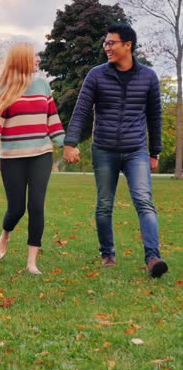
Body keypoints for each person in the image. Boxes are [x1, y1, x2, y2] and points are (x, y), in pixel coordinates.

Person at [63, 23, 168, 278]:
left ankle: (153, 258)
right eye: (105, 43)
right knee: (104, 205)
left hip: (136, 151)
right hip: (104, 150)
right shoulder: (96, 75)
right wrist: (70, 142)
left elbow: (155, 117)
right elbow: (81, 110)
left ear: (127, 45)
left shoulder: (149, 77)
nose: (106, 47)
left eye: (111, 43)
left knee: (144, 202)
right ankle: (107, 253)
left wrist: (155, 151)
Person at [0, 43, 65, 274]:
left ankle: (31, 262)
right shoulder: (3, 88)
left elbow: (52, 120)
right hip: (12, 157)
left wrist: (66, 145)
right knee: (16, 208)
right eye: (34, 56)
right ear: (22, 60)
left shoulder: (43, 85)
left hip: (41, 154)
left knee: (36, 205)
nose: (38, 59)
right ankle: (5, 234)